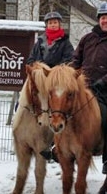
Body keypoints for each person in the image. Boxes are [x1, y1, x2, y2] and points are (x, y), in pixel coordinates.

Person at [70, 2, 107, 180]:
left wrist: (104, 81)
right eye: (103, 18)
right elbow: (76, 59)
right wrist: (71, 74)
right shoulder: (87, 39)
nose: (105, 21)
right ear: (98, 20)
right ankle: (59, 147)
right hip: (85, 88)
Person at [26, 11, 74, 162]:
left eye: (55, 22)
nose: (53, 24)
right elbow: (31, 60)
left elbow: (69, 60)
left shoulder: (65, 43)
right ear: (46, 25)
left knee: (58, 109)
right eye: (50, 22)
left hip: (55, 82)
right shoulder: (39, 42)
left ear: (60, 24)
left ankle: (54, 144)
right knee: (25, 103)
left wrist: (53, 72)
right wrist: (38, 69)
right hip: (41, 81)